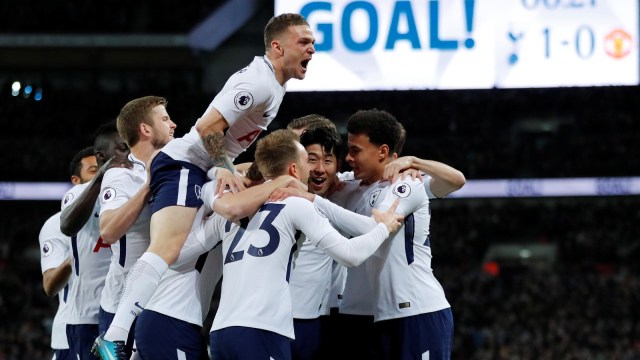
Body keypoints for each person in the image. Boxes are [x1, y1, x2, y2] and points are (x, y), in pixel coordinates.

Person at [97, 13, 316, 354]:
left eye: (312, 42)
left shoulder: (276, 84)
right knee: (166, 250)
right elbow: (208, 128)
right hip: (188, 163)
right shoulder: (257, 81)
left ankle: (122, 331)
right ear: (277, 46)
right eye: (304, 42)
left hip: (202, 167)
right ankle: (114, 335)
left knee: (202, 234)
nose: (312, 49)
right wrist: (224, 167)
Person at [209, 129, 403, 360]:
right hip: (262, 330)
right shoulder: (296, 204)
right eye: (306, 162)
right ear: (293, 169)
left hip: (221, 332)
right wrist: (384, 227)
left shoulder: (230, 205)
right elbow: (350, 255)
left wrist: (219, 170)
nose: (312, 170)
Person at [314, 109, 466, 360]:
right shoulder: (346, 186)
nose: (348, 158)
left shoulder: (405, 183)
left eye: (356, 150)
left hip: (416, 310)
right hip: (370, 314)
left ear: (383, 152)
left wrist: (415, 161)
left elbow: (456, 180)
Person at [91, 96, 176, 360]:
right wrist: (149, 186)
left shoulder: (175, 167)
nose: (173, 124)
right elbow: (108, 231)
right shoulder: (122, 174)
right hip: (120, 303)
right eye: (165, 119)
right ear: (146, 129)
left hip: (162, 299)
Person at [58, 121, 132, 359]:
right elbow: (68, 225)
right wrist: (101, 178)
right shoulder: (78, 193)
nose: (129, 154)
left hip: (125, 305)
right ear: (102, 156)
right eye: (122, 148)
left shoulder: (132, 187)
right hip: (87, 315)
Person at [286, 117, 343, 360]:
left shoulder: (346, 187)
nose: (318, 167)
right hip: (281, 317)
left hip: (328, 317)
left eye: (326, 159)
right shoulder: (270, 191)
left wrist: (407, 162)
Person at [39, 146, 98, 360]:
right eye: (93, 171)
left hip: (113, 322)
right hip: (73, 332)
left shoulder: (118, 217)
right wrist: (78, 253)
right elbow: (50, 285)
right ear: (76, 181)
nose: (101, 175)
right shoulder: (55, 225)